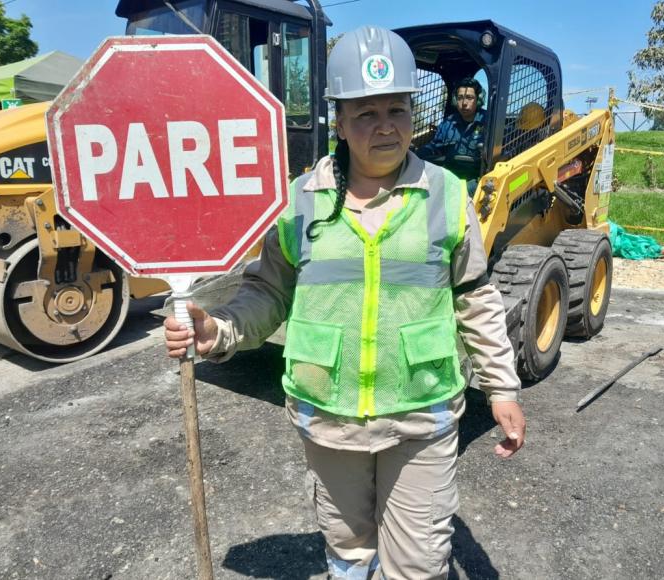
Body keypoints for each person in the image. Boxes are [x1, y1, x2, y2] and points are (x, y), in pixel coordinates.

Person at [164, 26, 525, 580]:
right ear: (340, 119)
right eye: (366, 113)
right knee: (348, 551)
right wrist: (218, 331)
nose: (385, 126)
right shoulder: (298, 201)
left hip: (420, 414)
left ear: (413, 112)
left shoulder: (449, 195)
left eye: (397, 110)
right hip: (328, 415)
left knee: (420, 561)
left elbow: (475, 296)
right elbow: (267, 291)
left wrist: (501, 387)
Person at [416, 77, 487, 193]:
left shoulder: (490, 121)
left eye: (469, 98)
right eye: (460, 98)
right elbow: (434, 146)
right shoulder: (448, 123)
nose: (464, 103)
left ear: (478, 99)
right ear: (455, 100)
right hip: (450, 175)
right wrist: (416, 155)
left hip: (477, 179)